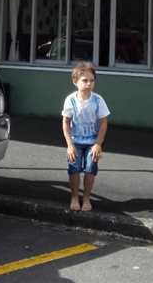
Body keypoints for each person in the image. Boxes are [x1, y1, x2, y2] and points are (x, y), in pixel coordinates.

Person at [61, 61, 110, 211]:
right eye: (85, 80)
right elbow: (65, 122)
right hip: (75, 141)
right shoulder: (71, 100)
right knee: (74, 169)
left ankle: (87, 198)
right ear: (75, 81)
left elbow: (103, 123)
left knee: (90, 168)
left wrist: (98, 144)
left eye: (92, 81)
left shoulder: (98, 100)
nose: (89, 84)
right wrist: (69, 145)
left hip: (92, 142)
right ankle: (75, 196)